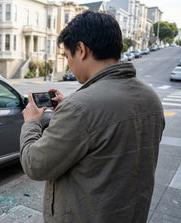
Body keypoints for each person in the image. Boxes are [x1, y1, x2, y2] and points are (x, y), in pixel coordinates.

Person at [20, 11, 165, 223]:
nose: (68, 63)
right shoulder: (150, 97)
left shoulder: (80, 108)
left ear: (81, 49)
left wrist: (31, 122)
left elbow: (34, 164)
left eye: (67, 56)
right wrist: (69, 106)